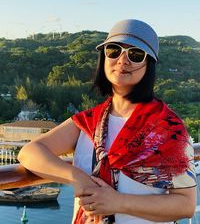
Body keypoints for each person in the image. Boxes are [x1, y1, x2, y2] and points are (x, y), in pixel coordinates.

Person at [18, 19, 196, 224]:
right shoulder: (88, 122)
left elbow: (185, 205)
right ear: (103, 57)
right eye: (114, 50)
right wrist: (78, 178)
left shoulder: (168, 129)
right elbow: (29, 152)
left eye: (135, 55)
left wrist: (118, 202)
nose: (122, 60)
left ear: (149, 65)